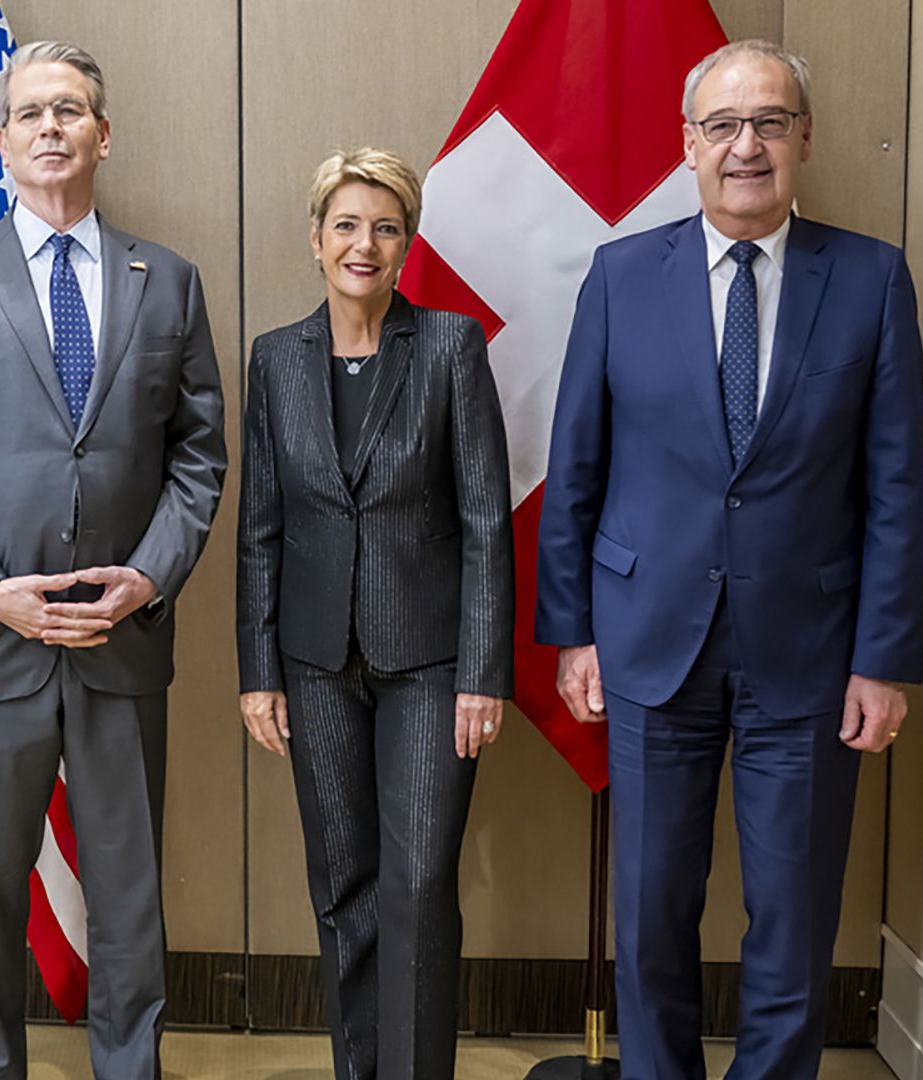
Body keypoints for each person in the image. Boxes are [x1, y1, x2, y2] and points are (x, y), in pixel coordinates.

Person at [536, 39, 923, 1080]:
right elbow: (573, 463)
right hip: (648, 644)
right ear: (689, 145)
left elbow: (896, 487)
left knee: (793, 923)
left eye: (768, 122)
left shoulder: (872, 279)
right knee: (652, 912)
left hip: (809, 655)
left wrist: (884, 659)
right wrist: (571, 632)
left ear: (805, 137)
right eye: (722, 125)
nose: (745, 146)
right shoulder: (622, 277)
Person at [0, 40, 227, 1080]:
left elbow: (200, 455)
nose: (51, 127)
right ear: (2, 141)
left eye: (69, 110)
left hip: (120, 640)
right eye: (30, 112)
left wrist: (149, 575)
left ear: (102, 136)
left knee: (129, 894)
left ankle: (129, 1067)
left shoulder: (168, 281)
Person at [237, 148, 514, 1080]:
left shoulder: (449, 346)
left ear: (408, 242)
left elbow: (485, 521)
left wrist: (484, 671)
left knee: (422, 883)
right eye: (347, 224)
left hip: (432, 663)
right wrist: (257, 671)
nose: (366, 243)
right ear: (316, 240)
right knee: (344, 885)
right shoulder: (276, 358)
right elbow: (260, 530)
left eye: (386, 226)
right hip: (314, 664)